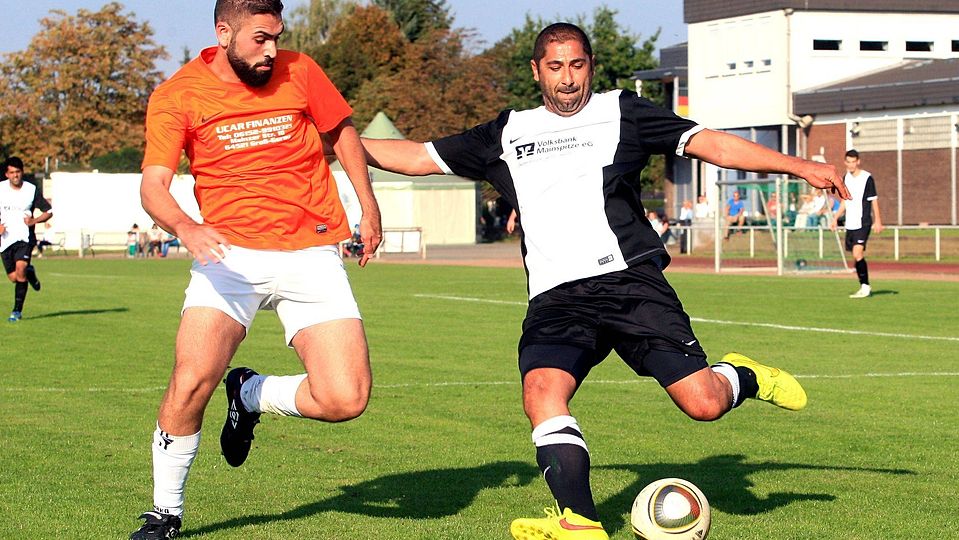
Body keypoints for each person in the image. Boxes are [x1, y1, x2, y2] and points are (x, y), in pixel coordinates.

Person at [360, 22, 850, 540]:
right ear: (536, 71)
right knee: (542, 391)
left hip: (629, 284)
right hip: (556, 297)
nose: (567, 79)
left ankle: (745, 376)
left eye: (577, 65)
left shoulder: (623, 112)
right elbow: (415, 156)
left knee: (702, 404)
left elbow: (713, 146)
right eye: (555, 67)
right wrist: (327, 140)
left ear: (591, 66)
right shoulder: (506, 132)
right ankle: (581, 522)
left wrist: (797, 165)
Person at [129, 1, 382, 538]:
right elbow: (153, 187)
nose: (271, 51)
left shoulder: (302, 71)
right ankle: (164, 513)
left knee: (346, 398)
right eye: (259, 39)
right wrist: (188, 228)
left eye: (276, 38)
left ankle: (251, 394)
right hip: (229, 256)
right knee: (192, 380)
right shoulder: (177, 94)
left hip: (312, 251)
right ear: (224, 33)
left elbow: (342, 135)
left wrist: (369, 204)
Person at [0, 157, 51, 322]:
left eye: (18, 172)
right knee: (14, 277)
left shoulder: (31, 190)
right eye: (12, 172)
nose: (16, 175)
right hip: (5, 240)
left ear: (22, 172)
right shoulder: (0, 189)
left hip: (25, 238)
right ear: (7, 174)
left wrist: (34, 221)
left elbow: (48, 211)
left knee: (20, 270)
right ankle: (30, 272)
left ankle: (16, 311)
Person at [831, 149, 882, 298]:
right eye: (849, 162)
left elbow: (874, 200)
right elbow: (844, 202)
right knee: (855, 255)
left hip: (863, 221)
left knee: (857, 252)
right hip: (850, 222)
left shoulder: (867, 178)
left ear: (858, 161)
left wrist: (878, 220)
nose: (851, 164)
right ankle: (863, 285)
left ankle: (865, 286)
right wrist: (835, 218)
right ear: (845, 162)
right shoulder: (845, 178)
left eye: (854, 162)